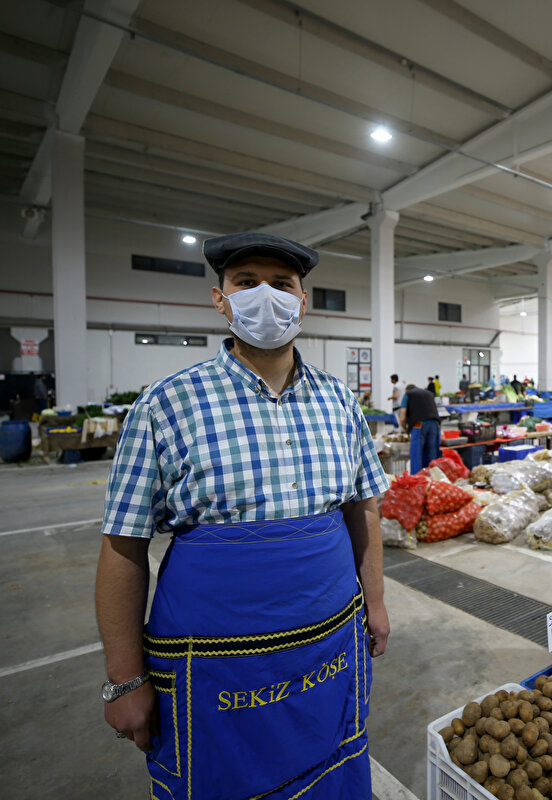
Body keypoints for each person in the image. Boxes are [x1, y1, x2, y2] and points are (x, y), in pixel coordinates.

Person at [96, 232, 388, 799]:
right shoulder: (166, 404)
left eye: (281, 285)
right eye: (246, 282)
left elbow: (365, 508)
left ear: (303, 302)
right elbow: (123, 547)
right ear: (220, 299)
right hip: (215, 663)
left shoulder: (338, 400)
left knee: (331, 768)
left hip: (328, 645)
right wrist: (125, 678)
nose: (265, 296)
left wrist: (374, 600)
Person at [400, 382, 441, 471]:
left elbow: (402, 418)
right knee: (432, 454)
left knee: (416, 454)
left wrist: (406, 430)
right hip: (435, 424)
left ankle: (417, 479)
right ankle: (433, 479)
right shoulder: (429, 393)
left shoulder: (408, 395)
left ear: (406, 390)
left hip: (419, 425)